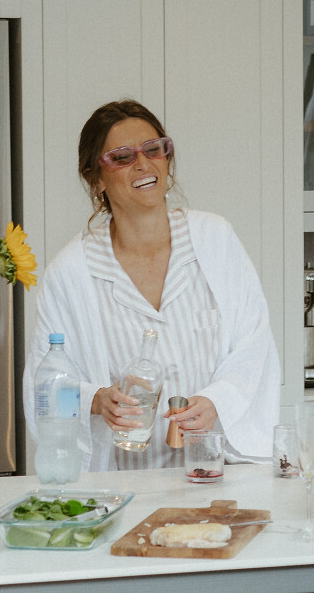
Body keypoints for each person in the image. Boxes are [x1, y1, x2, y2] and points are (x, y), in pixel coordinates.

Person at [29, 99, 281, 472]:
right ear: (95, 178)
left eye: (153, 150)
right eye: (122, 157)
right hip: (125, 485)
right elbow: (45, 385)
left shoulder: (214, 240)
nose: (143, 164)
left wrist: (218, 401)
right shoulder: (71, 273)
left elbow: (254, 343)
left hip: (216, 472)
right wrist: (97, 400)